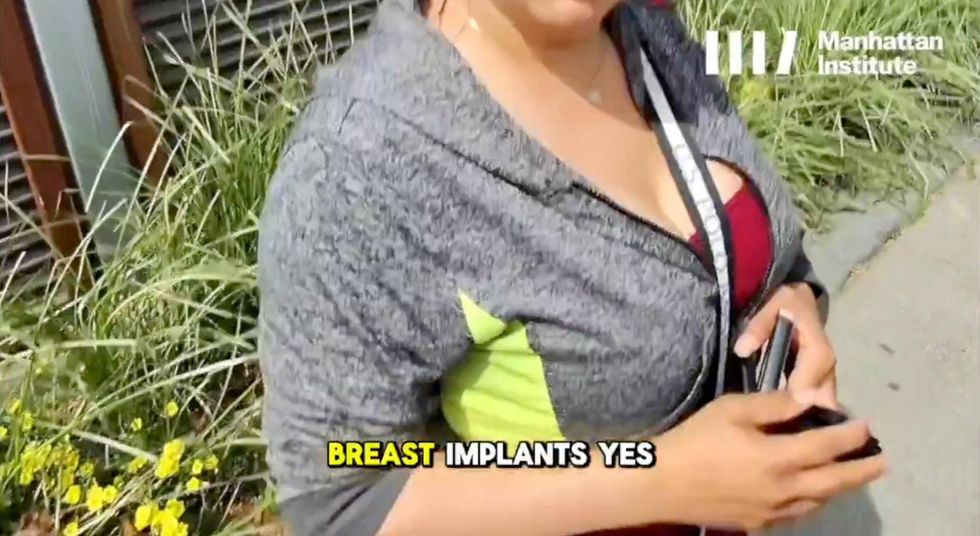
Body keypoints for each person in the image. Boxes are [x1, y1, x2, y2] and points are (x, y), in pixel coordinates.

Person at [256, 1, 888, 535]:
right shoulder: (360, 164)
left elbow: (742, 238)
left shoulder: (645, 28)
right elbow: (344, 499)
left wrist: (792, 301)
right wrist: (659, 477)